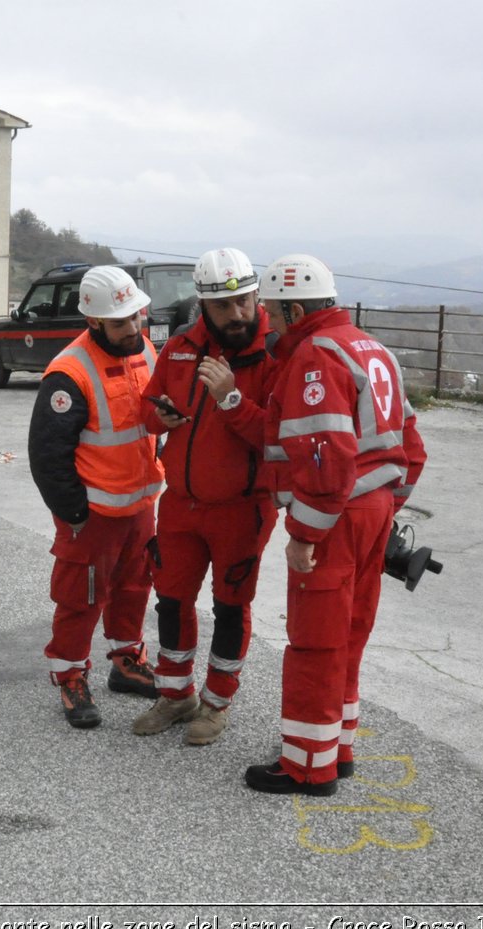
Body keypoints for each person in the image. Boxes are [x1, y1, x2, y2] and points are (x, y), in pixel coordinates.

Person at [245, 254, 427, 795]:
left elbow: (325, 458)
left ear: (296, 308)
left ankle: (306, 766)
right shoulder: (371, 348)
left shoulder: (314, 355)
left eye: (274, 314)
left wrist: (305, 534)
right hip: (371, 512)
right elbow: (412, 446)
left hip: (338, 515)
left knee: (316, 640)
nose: (269, 324)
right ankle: (336, 747)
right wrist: (387, 505)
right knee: (350, 632)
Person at [132, 248, 278, 745]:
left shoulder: (274, 353)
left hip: (242, 508)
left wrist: (232, 400)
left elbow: (277, 437)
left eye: (245, 301)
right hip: (179, 506)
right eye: (225, 306)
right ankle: (176, 696)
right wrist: (161, 417)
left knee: (230, 607)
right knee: (171, 601)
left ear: (257, 295)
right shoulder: (178, 348)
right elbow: (147, 409)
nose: (238, 314)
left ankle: (216, 704)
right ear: (204, 306)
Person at [28, 265, 165, 728]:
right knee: (81, 597)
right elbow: (48, 456)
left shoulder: (144, 350)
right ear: (94, 322)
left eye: (136, 316)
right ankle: (69, 675)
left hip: (140, 505)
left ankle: (126, 660)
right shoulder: (68, 374)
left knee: (134, 586)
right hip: (93, 514)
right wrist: (74, 515)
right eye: (121, 321)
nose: (134, 327)